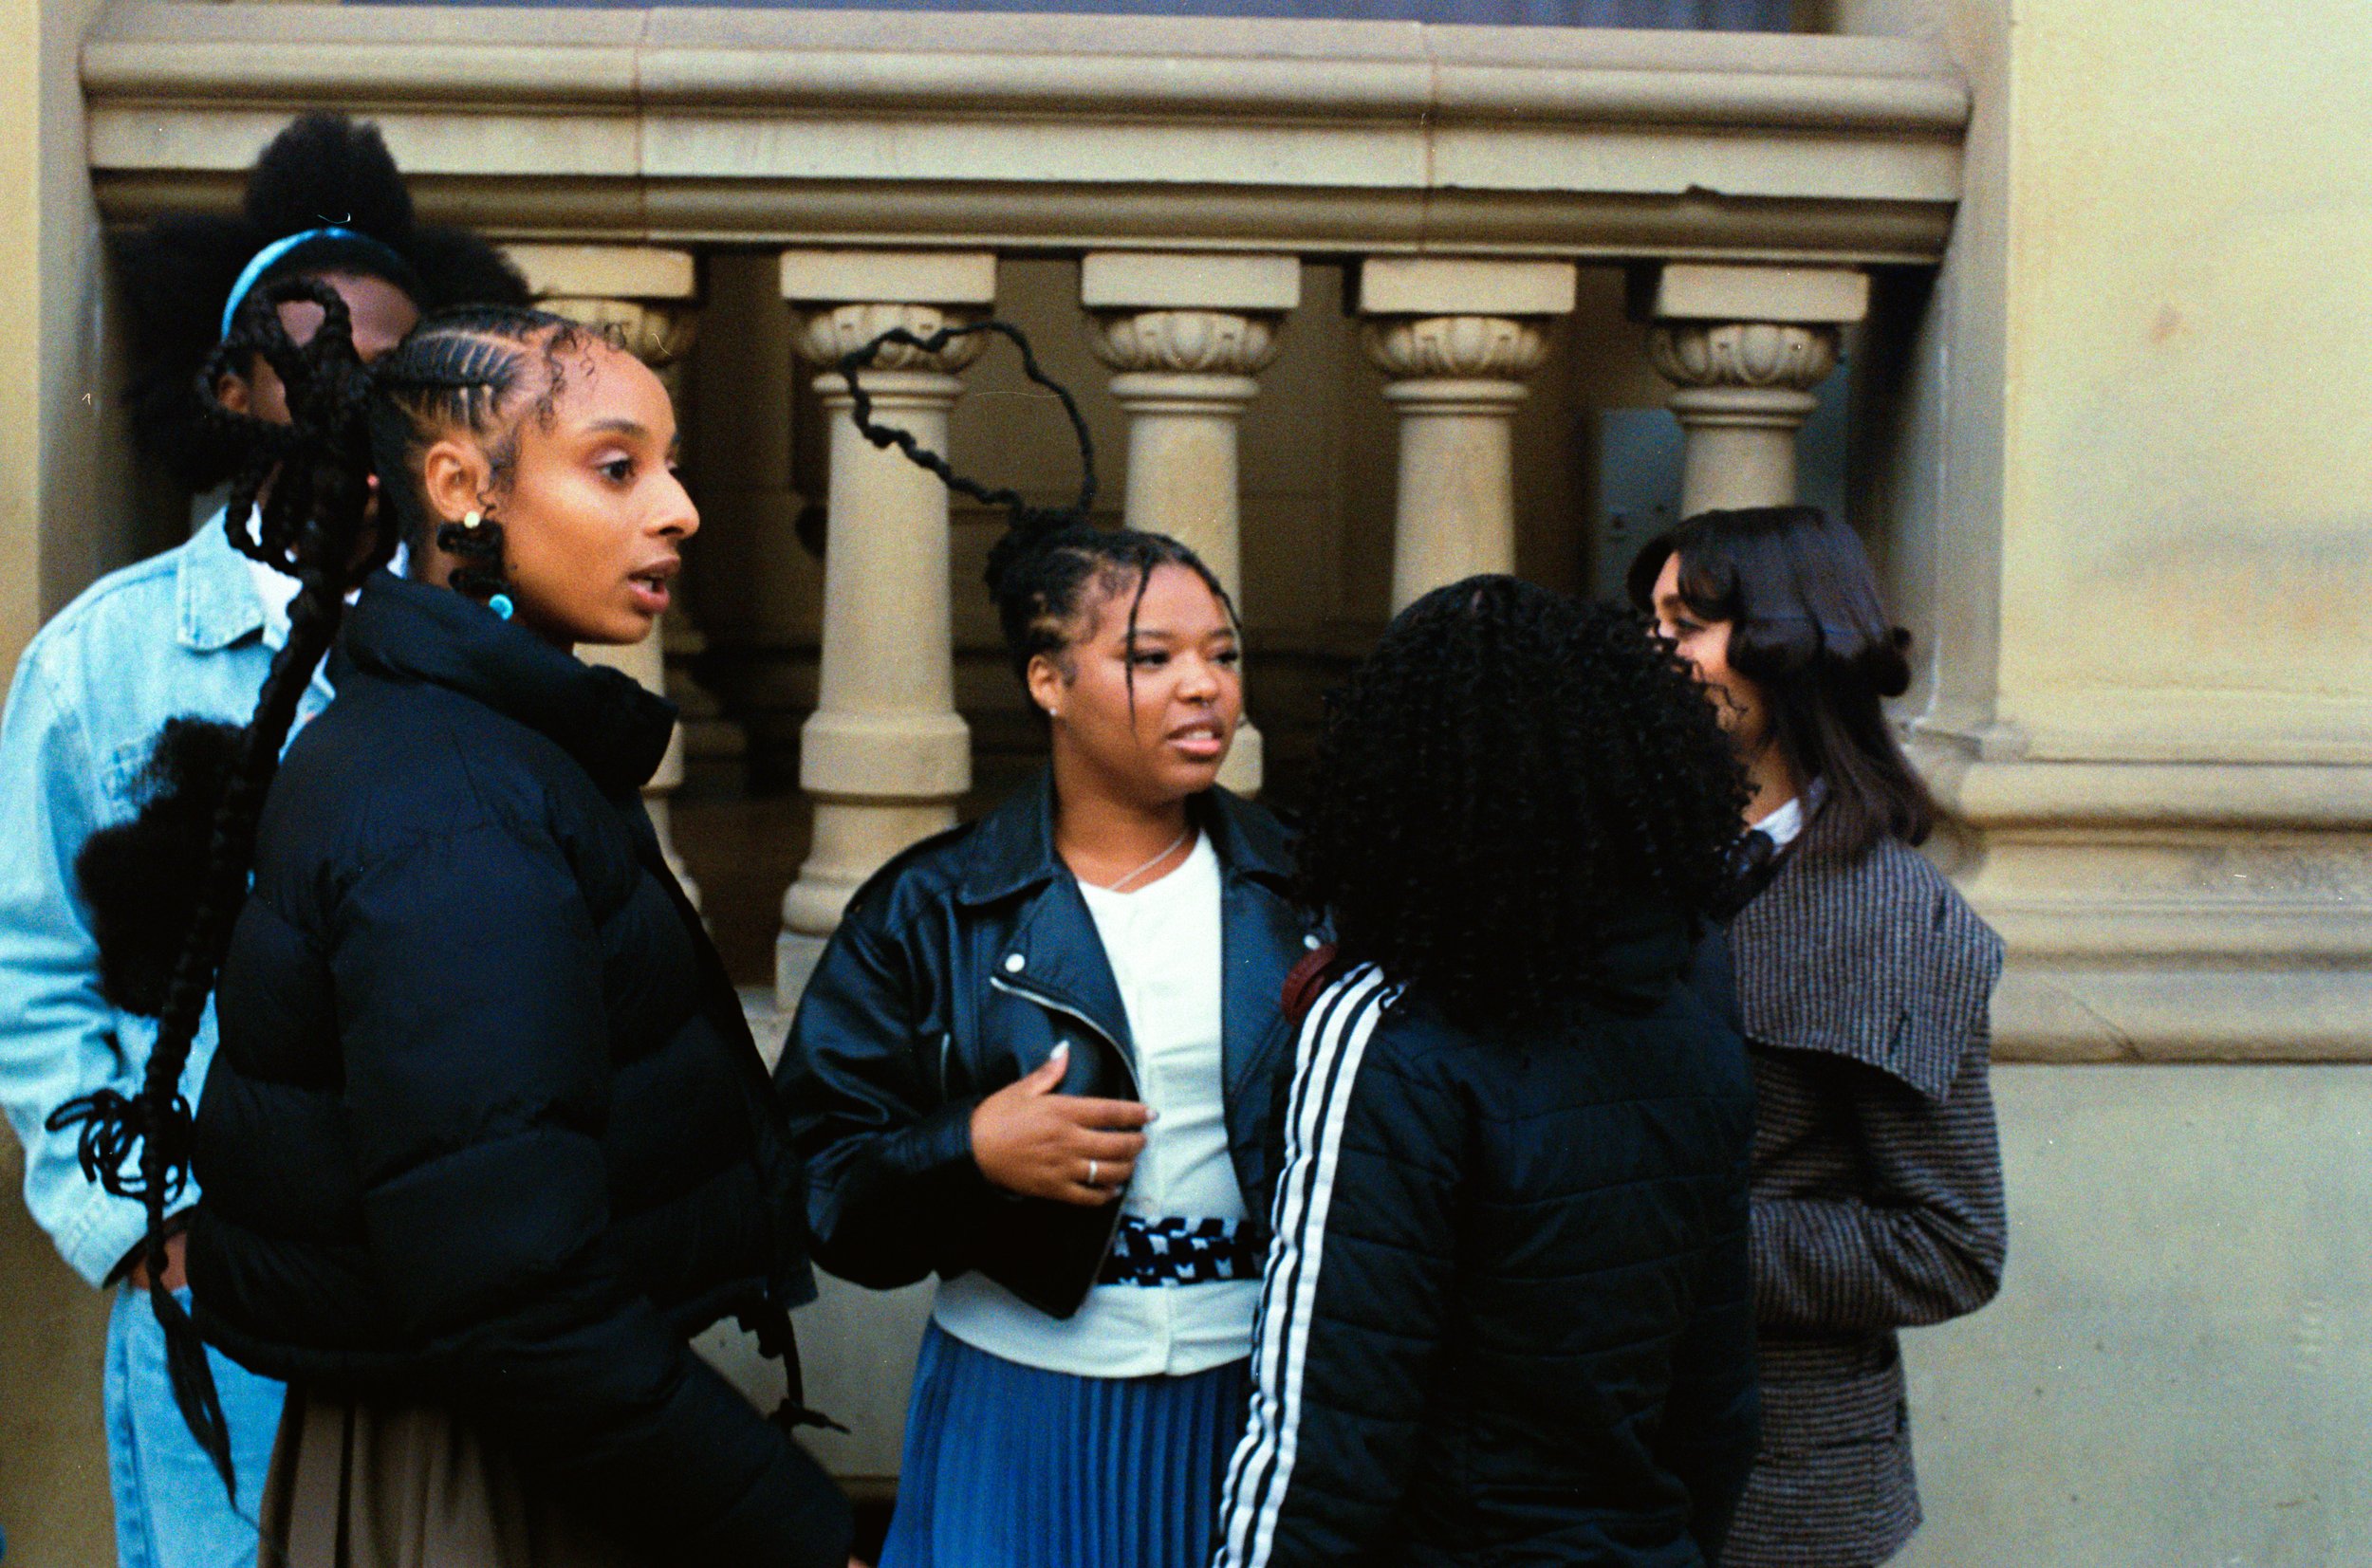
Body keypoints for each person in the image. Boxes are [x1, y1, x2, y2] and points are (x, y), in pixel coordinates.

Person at [55, 290, 856, 1566]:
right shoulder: (454, 806)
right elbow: (514, 1291)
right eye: (616, 466)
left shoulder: (486, 750)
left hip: (518, 1444)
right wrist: (788, 1524)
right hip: (479, 1483)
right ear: (459, 485)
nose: (680, 509)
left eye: (671, 464)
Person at [0, 112, 526, 1568]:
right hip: (218, 1310)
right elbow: (30, 976)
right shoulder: (102, 665)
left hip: (454, 1298)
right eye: (306, 353)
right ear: (227, 380)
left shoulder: (493, 653)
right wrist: (148, 1228)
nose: (345, 390)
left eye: (390, 364)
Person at [779, 323, 1317, 1568]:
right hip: (1023, 1398)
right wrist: (964, 1149)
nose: (1205, 688)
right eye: (1153, 657)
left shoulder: (1308, 891)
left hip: (1257, 1401)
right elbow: (815, 1182)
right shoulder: (934, 906)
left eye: (1223, 655)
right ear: (1047, 682)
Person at [1213, 575, 1761, 1568]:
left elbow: (1322, 1433)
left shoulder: (1385, 1032)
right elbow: (1717, 1408)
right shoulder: (1689, 1019)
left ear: (1402, 782)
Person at [1631, 505, 2007, 1568]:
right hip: (1590, 1466)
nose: (1659, 652)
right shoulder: (1622, 864)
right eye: (1650, 621)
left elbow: (1948, 1246)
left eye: (1690, 621)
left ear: (1793, 641)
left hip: (1780, 1491)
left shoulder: (1898, 917)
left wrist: (1669, 1236)